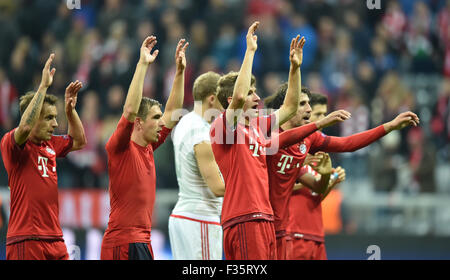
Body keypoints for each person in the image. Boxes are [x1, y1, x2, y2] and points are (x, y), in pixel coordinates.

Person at [210, 21, 350, 260]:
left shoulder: (256, 127)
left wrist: (295, 68)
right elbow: (241, 94)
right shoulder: (222, 127)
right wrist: (250, 51)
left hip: (263, 219)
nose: (257, 97)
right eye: (251, 92)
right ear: (232, 99)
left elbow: (289, 108)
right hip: (244, 217)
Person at [264, 90, 420, 260]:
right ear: (285, 108)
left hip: (285, 230)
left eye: (310, 104)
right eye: (303, 104)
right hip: (265, 224)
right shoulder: (265, 134)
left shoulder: (308, 141)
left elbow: (347, 144)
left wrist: (389, 126)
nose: (308, 109)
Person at [101, 36, 188, 260]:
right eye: (155, 118)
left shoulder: (148, 147)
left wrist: (179, 72)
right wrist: (142, 65)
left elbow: (173, 113)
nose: (161, 123)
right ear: (138, 123)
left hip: (143, 242)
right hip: (122, 243)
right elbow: (130, 109)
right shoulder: (120, 147)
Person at [0, 54, 87, 260]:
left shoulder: (50, 144)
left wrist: (70, 110)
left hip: (55, 238)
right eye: (49, 118)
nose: (56, 124)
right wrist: (43, 87)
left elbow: (80, 141)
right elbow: (26, 127)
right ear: (33, 116)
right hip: (26, 239)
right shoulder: (11, 144)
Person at [169, 71, 225, 260]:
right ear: (212, 99)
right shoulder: (201, 132)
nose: (226, 107)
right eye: (223, 100)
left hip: (184, 218)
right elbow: (218, 188)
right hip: (200, 217)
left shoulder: (184, 122)